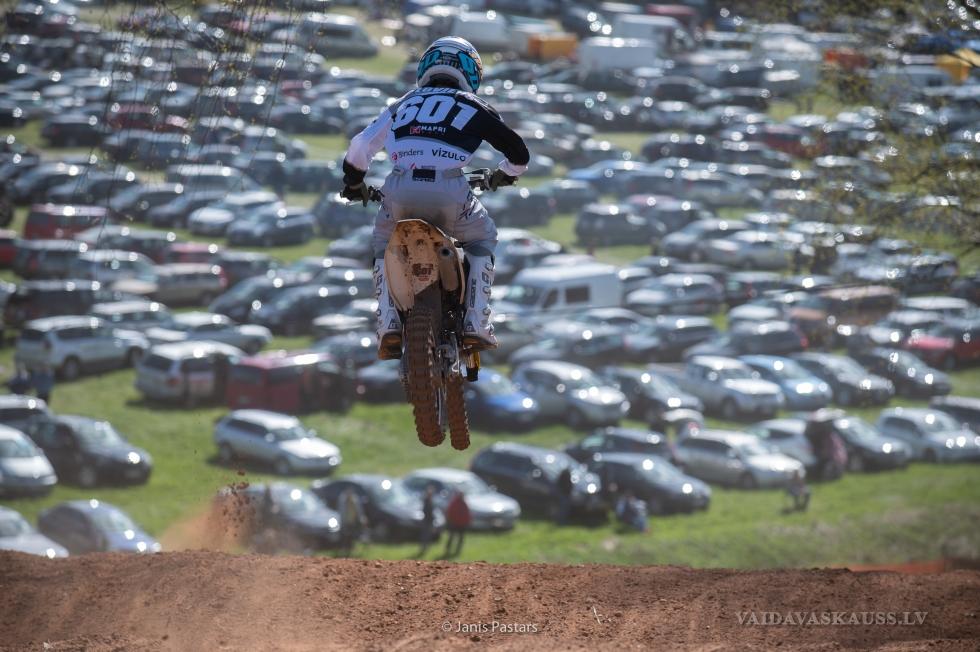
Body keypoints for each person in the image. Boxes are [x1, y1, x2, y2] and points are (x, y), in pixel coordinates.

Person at [339, 36, 530, 359]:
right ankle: (476, 320)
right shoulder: (473, 105)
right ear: (471, 73)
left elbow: (360, 147)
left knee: (382, 244)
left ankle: (387, 322)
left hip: (399, 188)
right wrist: (506, 173)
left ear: (426, 67)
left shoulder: (403, 103)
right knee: (483, 236)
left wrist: (355, 182)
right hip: (449, 190)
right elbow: (518, 152)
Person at [338, 487, 368, 557]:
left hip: (353, 521)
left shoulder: (354, 500)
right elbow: (342, 513)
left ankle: (351, 549)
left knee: (353, 536)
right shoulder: (343, 501)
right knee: (346, 536)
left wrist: (361, 519)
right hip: (346, 522)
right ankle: (346, 550)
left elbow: (359, 511)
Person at [444, 489, 471, 558]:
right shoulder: (454, 502)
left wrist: (467, 522)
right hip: (454, 523)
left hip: (462, 524)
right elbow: (449, 512)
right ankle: (447, 549)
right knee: (451, 537)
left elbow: (467, 514)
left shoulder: (464, 503)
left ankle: (457, 551)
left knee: (460, 538)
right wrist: (450, 521)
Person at [418, 484, 437, 556]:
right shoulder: (426, 500)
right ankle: (423, 547)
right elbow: (426, 511)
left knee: (428, 534)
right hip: (427, 520)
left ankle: (426, 547)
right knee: (425, 534)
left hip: (429, 520)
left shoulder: (430, 500)